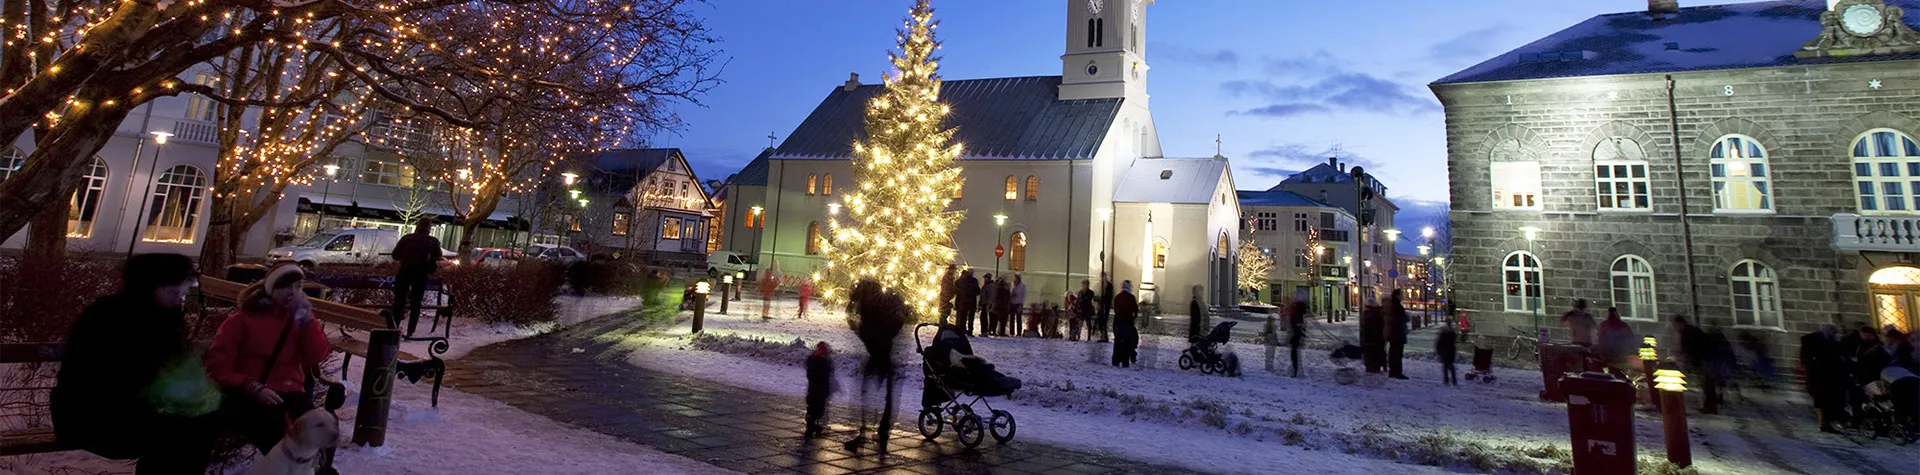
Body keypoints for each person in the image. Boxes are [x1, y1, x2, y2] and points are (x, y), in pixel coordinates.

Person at [53, 254, 221, 474]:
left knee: (201, 424)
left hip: (137, 411)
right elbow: (113, 378)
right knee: (185, 432)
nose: (181, 298)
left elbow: (172, 368)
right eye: (174, 292)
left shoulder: (163, 317)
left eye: (182, 291)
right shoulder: (108, 317)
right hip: (92, 415)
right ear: (149, 287)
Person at [206, 265, 332, 454]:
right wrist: (252, 386)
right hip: (250, 391)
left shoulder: (299, 321)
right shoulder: (242, 321)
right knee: (279, 437)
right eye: (286, 286)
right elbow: (218, 366)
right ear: (271, 289)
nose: (293, 292)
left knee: (317, 432)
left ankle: (313, 467)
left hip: (290, 390)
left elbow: (315, 356)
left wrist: (308, 321)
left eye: (298, 286)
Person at [845, 279, 908, 454]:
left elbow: (868, 332)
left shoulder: (869, 308)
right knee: (885, 395)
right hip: (886, 352)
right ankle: (881, 432)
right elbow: (900, 317)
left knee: (867, 393)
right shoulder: (886, 301)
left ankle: (865, 433)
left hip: (879, 353)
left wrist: (858, 329)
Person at [389, 219, 444, 335]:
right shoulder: (432, 241)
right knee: (416, 304)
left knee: (399, 302)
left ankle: (394, 328)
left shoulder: (407, 238)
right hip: (421, 274)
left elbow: (395, 255)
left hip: (404, 272)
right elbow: (438, 255)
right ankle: (410, 331)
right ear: (429, 228)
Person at [1801, 326, 1849, 432]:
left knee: (1821, 402)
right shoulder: (1822, 346)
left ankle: (1823, 423)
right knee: (1824, 402)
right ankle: (1824, 423)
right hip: (1823, 378)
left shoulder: (1813, 345)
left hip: (1819, 378)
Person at [805, 341, 836, 437]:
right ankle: (814, 425)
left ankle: (811, 425)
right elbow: (825, 378)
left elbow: (810, 376)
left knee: (812, 408)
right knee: (818, 410)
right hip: (820, 391)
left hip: (812, 390)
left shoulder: (812, 361)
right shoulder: (824, 363)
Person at [1595, 308, 1636, 374]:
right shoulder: (1623, 325)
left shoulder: (1603, 325)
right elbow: (1630, 338)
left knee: (1612, 368)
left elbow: (1600, 337)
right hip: (1621, 352)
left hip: (1608, 352)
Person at [1112, 281, 1140, 367]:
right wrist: (1133, 317)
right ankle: (1125, 360)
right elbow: (1135, 310)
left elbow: (1115, 308)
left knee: (1118, 342)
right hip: (1127, 322)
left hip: (1118, 321)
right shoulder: (1131, 298)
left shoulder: (1118, 297)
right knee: (1127, 342)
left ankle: (1116, 360)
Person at [1387, 292, 1410, 380]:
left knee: (1394, 352)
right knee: (1397, 353)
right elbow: (1399, 319)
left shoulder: (1393, 305)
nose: (1403, 296)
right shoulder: (1397, 306)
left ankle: (1393, 371)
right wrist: (1406, 318)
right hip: (1397, 333)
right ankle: (1396, 372)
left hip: (1394, 333)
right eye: (1401, 294)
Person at [1359, 294, 1384, 374]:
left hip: (1369, 337)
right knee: (1375, 351)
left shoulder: (1367, 313)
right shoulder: (1376, 314)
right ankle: (1375, 366)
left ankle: (1370, 366)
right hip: (1375, 337)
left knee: (1370, 352)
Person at [955, 269, 980, 335]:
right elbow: (978, 291)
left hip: (963, 302)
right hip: (972, 302)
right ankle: (970, 330)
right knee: (971, 317)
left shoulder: (961, 281)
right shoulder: (974, 281)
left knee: (963, 316)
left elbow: (956, 290)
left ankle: (962, 329)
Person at [1287, 299, 1307, 378]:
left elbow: (1295, 326)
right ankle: (1296, 370)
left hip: (1296, 336)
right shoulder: (1300, 315)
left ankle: (1295, 370)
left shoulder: (1296, 314)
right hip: (1297, 336)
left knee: (1294, 353)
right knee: (1295, 354)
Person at [1437, 320, 1459, 386]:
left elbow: (1439, 343)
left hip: (1445, 351)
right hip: (1451, 350)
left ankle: (1446, 380)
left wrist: (1438, 351)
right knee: (1450, 365)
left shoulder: (1443, 333)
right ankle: (1453, 380)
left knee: (1445, 366)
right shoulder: (1452, 333)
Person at [1098, 273, 1115, 343]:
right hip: (1102, 305)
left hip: (1105, 305)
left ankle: (1104, 336)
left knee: (1103, 321)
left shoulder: (1108, 286)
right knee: (1101, 321)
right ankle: (1103, 335)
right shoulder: (1102, 285)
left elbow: (1109, 296)